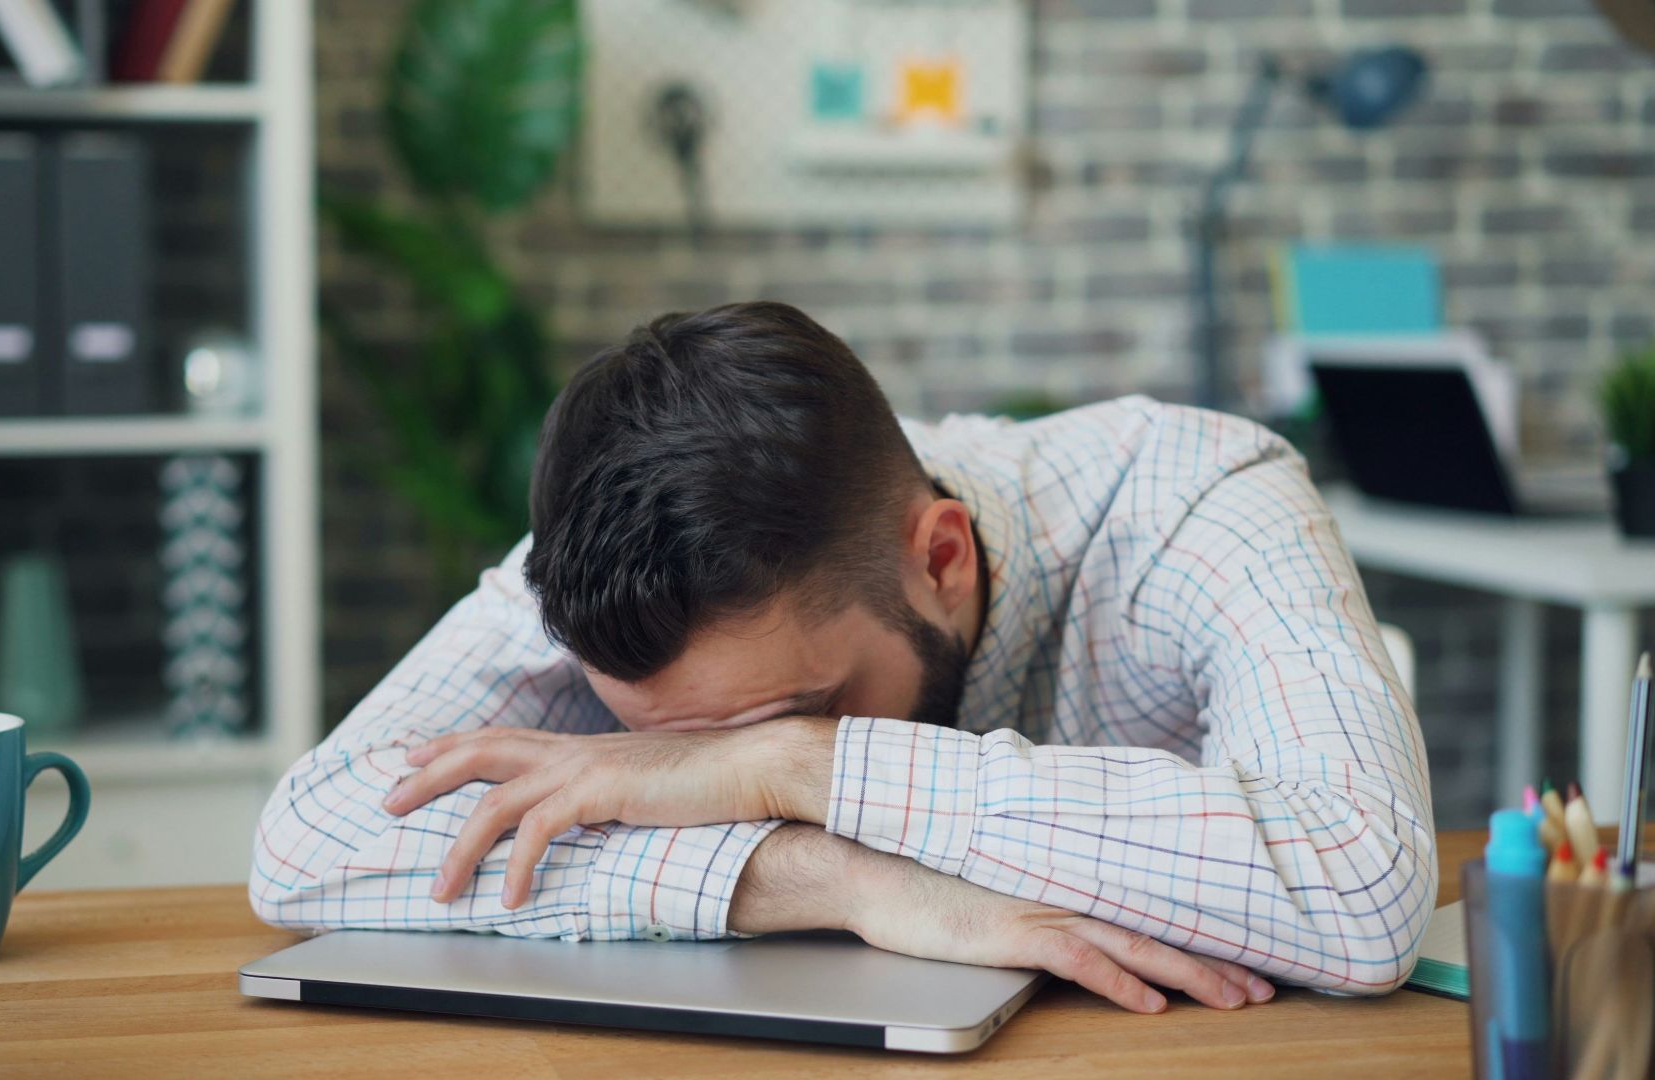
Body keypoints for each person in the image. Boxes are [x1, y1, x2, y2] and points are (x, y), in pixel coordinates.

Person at [251, 302, 1435, 1014]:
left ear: (943, 556)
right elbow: (306, 844)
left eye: (783, 712)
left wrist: (794, 768)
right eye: (671, 743)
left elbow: (1363, 885)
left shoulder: (1199, 498)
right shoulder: (605, 561)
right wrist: (832, 879)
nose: (698, 772)